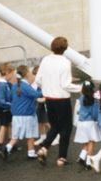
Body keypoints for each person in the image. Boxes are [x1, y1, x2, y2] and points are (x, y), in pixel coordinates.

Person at [34, 36, 82, 167]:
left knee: (55, 126)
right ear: (65, 49)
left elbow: (38, 79)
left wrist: (47, 86)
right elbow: (66, 84)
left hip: (49, 99)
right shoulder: (65, 62)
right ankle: (61, 157)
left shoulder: (45, 60)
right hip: (62, 100)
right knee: (66, 128)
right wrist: (80, 88)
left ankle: (44, 148)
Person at [1, 65, 41, 161]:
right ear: (27, 73)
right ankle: (31, 153)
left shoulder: (15, 86)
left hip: (16, 115)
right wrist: (43, 89)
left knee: (15, 136)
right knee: (30, 134)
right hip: (27, 115)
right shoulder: (26, 87)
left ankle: (7, 148)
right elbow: (37, 94)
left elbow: (11, 98)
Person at [73, 81, 101, 170]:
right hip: (90, 123)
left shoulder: (81, 99)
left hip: (81, 123)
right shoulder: (94, 100)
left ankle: (82, 157)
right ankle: (88, 162)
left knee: (86, 141)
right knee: (91, 142)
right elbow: (94, 114)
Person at [0, 63, 16, 155]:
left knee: (10, 124)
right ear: (7, 72)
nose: (13, 76)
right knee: (4, 125)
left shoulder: (5, 84)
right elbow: (0, 101)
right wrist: (10, 104)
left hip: (6, 107)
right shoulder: (2, 86)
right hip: (3, 108)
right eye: (12, 74)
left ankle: (11, 143)